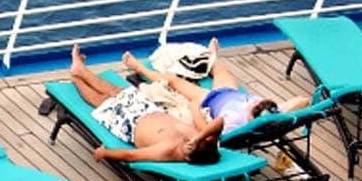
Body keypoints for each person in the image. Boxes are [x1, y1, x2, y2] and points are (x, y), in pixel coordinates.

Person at [69, 44, 225, 164]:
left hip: (130, 124)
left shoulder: (168, 151)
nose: (188, 140)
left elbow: (131, 156)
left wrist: (104, 153)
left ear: (188, 158)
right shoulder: (201, 140)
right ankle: (80, 71)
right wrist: (198, 139)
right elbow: (219, 123)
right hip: (148, 109)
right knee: (116, 90)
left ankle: (77, 78)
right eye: (196, 139)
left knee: (101, 101)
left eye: (189, 145)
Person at [123, 38, 310, 135]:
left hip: (210, 99)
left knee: (172, 81)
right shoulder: (271, 113)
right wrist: (283, 113)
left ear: (252, 115)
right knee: (218, 68)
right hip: (231, 92)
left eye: (253, 106)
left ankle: (137, 67)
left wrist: (195, 109)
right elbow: (304, 101)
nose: (253, 103)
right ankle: (211, 55)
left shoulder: (234, 122)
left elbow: (206, 130)